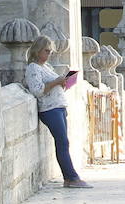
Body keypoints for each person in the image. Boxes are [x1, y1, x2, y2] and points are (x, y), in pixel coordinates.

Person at [25, 36, 91, 189]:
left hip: (59, 107)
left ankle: (70, 178)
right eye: (46, 51)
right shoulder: (33, 68)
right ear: (37, 50)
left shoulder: (46, 67)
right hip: (49, 109)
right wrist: (56, 81)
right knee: (62, 142)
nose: (49, 54)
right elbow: (37, 90)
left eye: (50, 52)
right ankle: (71, 177)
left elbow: (54, 86)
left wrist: (65, 82)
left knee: (63, 142)